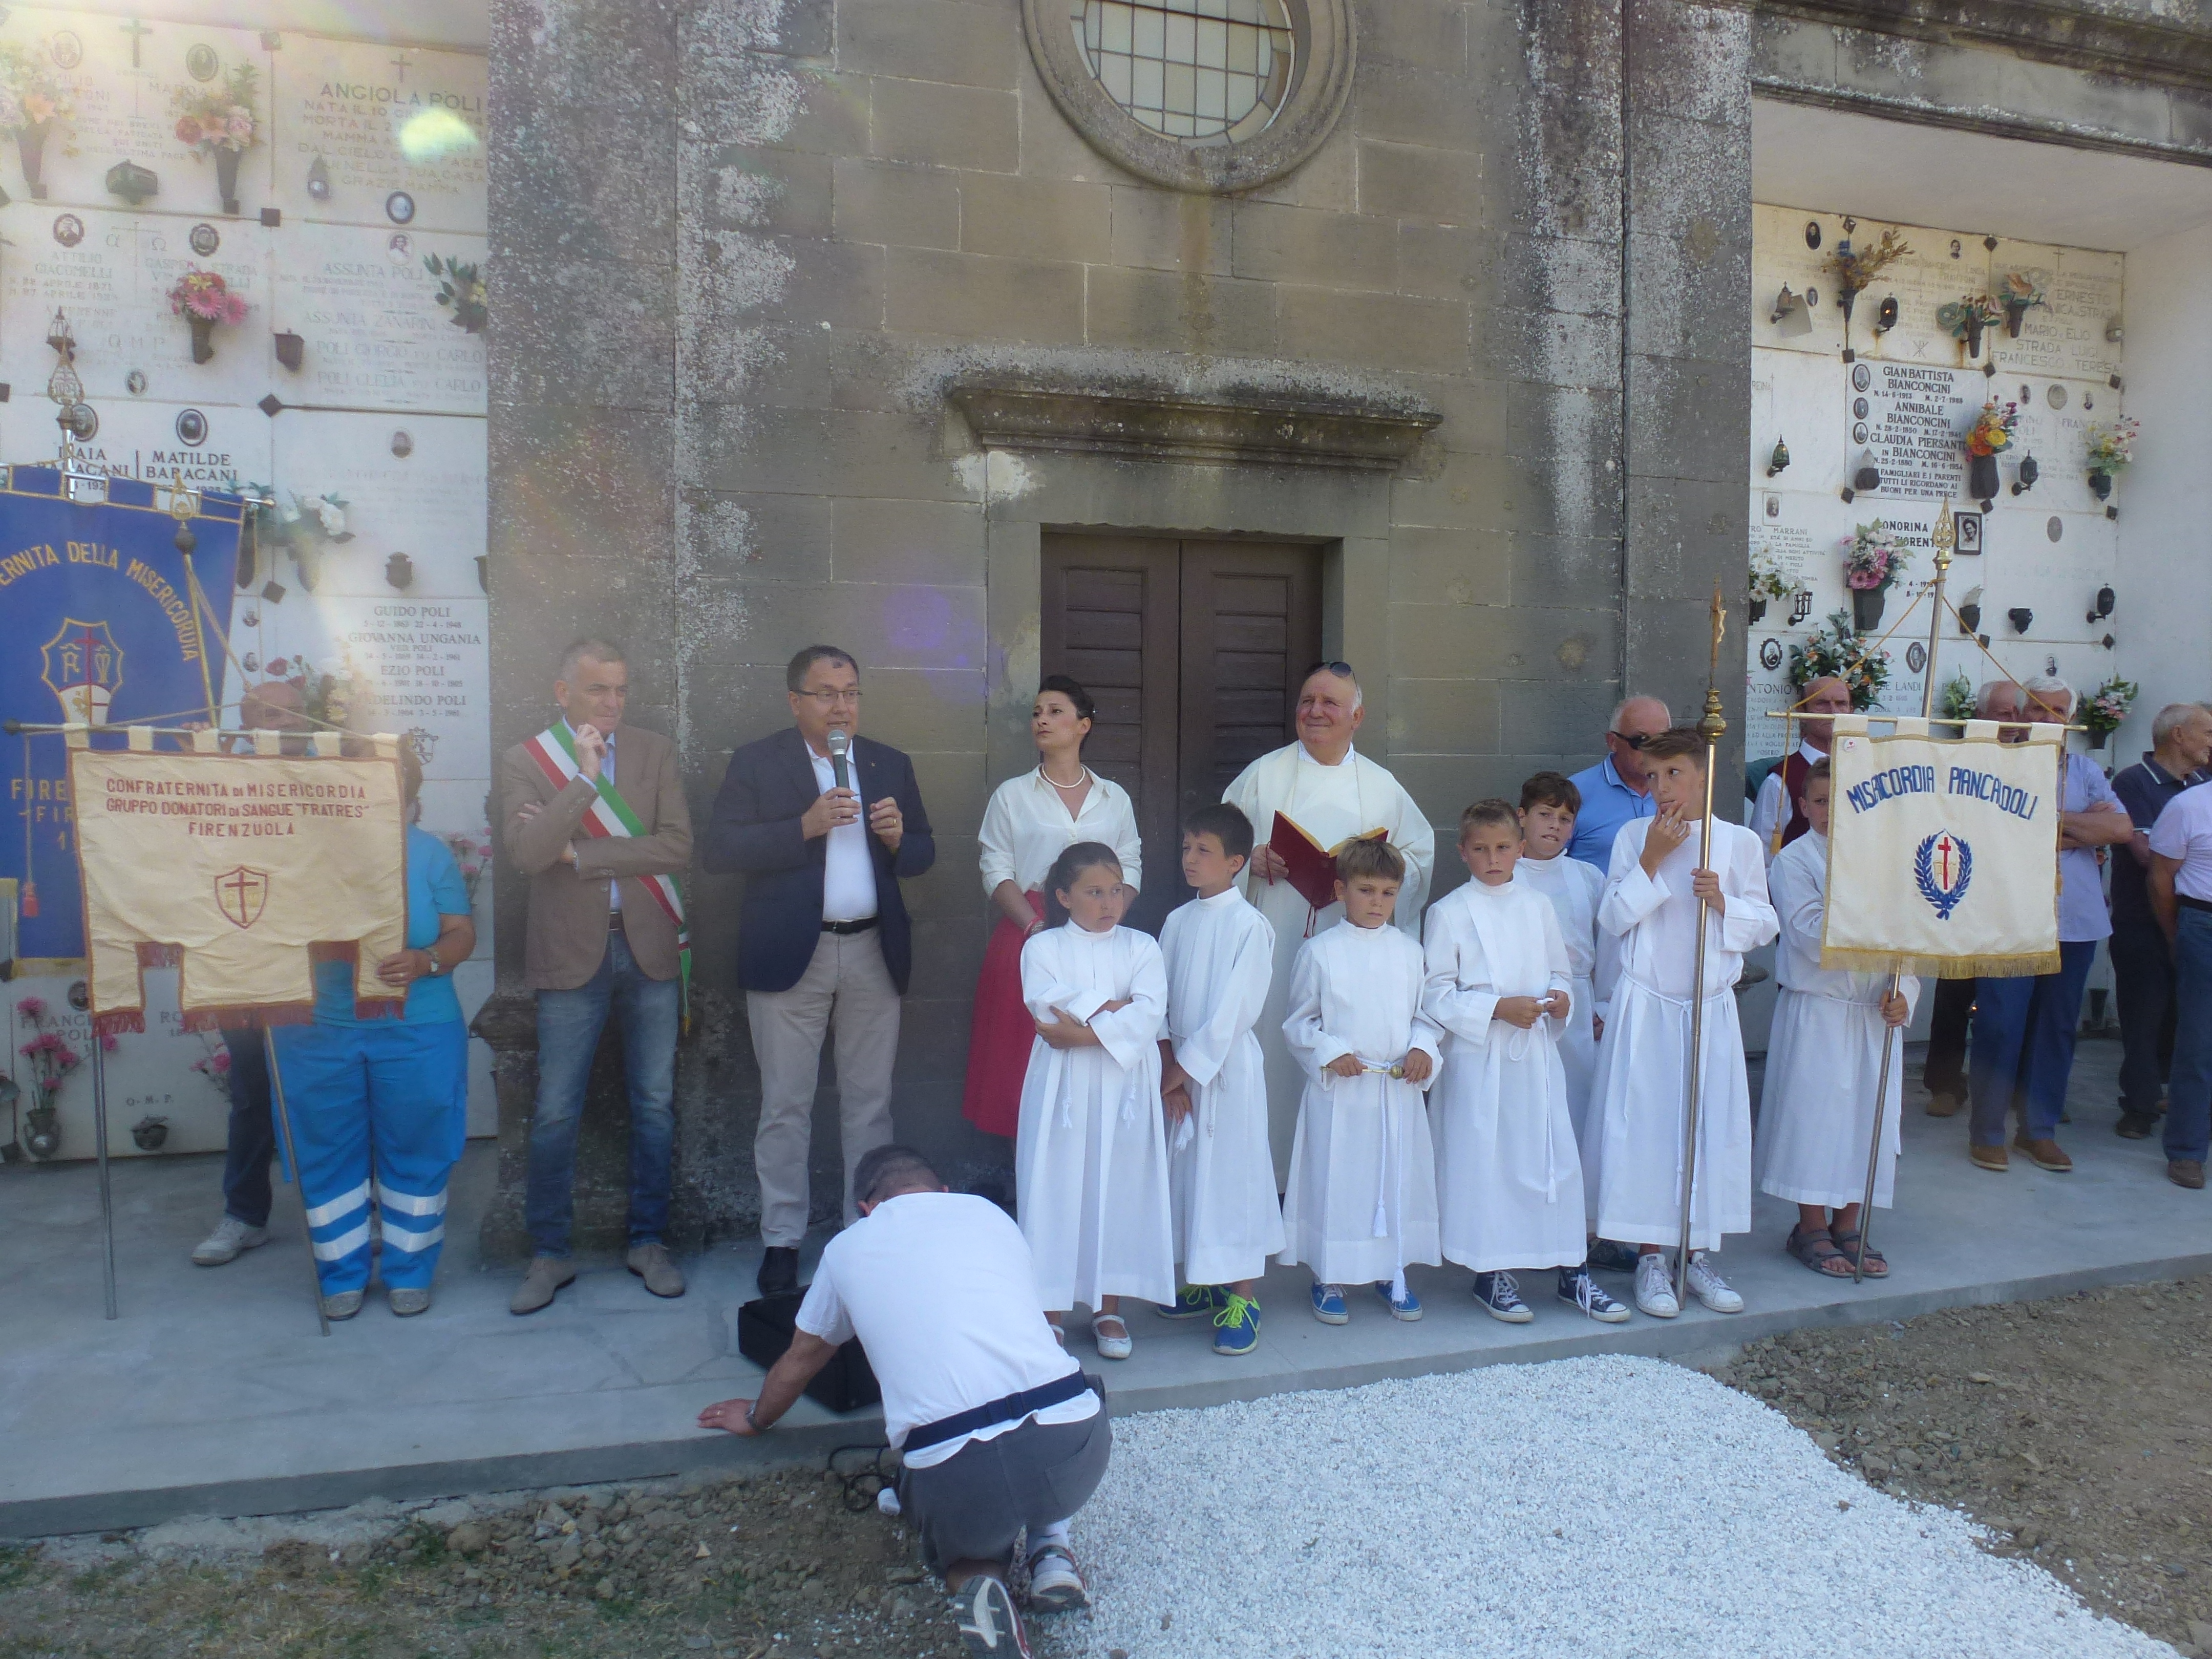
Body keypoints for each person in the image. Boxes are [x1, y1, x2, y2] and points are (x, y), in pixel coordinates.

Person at [697, 1143, 1109, 1658]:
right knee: (1049, 1418)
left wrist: (757, 1418)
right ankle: (1051, 1553)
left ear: (868, 1209)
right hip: (1073, 1443)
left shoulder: (848, 1248)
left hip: (953, 1465)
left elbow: (802, 1358)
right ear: (943, 1191)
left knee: (967, 1554)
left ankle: (989, 1591)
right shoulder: (989, 1215)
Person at [705, 645, 935, 1299]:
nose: (842, 706)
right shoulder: (758, 762)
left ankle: (865, 1235)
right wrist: (802, 826)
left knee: (871, 1105)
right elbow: (720, 851)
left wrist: (897, 840)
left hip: (871, 951)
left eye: (852, 693)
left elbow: (923, 854)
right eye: (827, 693)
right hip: (789, 957)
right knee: (785, 1106)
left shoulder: (889, 763)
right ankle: (782, 1240)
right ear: (795, 700)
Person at [504, 639, 693, 1315]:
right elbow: (527, 855)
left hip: (648, 951)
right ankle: (550, 1253)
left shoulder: (654, 752)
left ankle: (648, 1241)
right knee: (555, 1111)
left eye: (620, 690)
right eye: (597, 691)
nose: (612, 703)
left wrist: (578, 853)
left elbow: (677, 845)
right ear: (564, 693)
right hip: (568, 955)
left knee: (654, 1104)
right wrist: (582, 781)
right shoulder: (528, 761)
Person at [274, 748, 474, 1320]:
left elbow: (461, 933)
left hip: (418, 1027)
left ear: (405, 791)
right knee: (327, 1147)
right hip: (319, 1028)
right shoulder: (298, 851)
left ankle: (411, 1269)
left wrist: (427, 959)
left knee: (419, 1144)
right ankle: (341, 1272)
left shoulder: (428, 853)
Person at [1584, 728, 1778, 1319]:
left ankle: (1696, 1253)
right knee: (1647, 1128)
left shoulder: (1738, 842)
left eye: (1674, 775)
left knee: (1705, 1125)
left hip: (1708, 1004)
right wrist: (1651, 861)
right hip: (1647, 1004)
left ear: (1703, 777)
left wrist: (1725, 902)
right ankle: (1650, 1255)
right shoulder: (1632, 837)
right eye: (1652, 777)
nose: (1661, 788)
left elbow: (1765, 923)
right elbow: (1614, 918)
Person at [1223, 662, 1435, 1178]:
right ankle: (1268, 1176)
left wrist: (1369, 873)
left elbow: (1420, 855)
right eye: (1307, 701)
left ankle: (1332, 1180)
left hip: (1351, 957)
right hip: (1273, 937)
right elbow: (1217, 845)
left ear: (1357, 716)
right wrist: (1248, 860)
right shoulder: (1263, 775)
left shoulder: (1382, 788)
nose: (1315, 711)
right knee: (1276, 1042)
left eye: (1330, 703)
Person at [1423, 801, 1627, 1325]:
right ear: (1463, 852)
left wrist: (1561, 998)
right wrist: (1494, 1008)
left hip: (1534, 1054)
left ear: (1519, 849)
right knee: (1490, 1163)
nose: (1494, 859)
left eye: (1503, 847)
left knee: (1550, 1159)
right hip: (1481, 1061)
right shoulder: (1450, 911)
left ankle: (1571, 1271)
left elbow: (1561, 970)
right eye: (1481, 849)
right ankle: (1493, 1273)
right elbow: (1436, 993)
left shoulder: (1536, 905)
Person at [1756, 760, 1918, 1279]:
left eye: (1844, 801)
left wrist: (1905, 991)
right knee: (1816, 1118)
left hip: (1874, 1010)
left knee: (1868, 1120)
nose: (1832, 812)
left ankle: (1851, 1220)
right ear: (1804, 807)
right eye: (1821, 802)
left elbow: (1910, 938)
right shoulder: (1794, 861)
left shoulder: (1887, 862)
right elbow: (1809, 934)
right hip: (1821, 1008)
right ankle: (1810, 1225)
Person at [963, 676, 1142, 1139]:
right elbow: (995, 866)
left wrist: (1105, 921)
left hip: (1101, 935)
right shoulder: (1012, 795)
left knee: (1090, 1043)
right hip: (1029, 931)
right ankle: (1026, 1174)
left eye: (1056, 711)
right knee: (1022, 1053)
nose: (1042, 719)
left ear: (1083, 725)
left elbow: (1130, 865)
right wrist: (1036, 927)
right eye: (1037, 712)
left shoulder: (1113, 797)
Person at [1967, 677, 2130, 1175]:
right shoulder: (1991, 765)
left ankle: (2038, 1131)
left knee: (2057, 1028)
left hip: (2074, 923)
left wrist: (2044, 822)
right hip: (2008, 918)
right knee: (1999, 1025)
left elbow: (2120, 830)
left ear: (2070, 720)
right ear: (2017, 714)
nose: (2047, 719)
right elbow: (1989, 832)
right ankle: (1988, 1132)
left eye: (2058, 711)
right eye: (2037, 709)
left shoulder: (2085, 771)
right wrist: (2081, 825)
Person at [1016, 842, 1173, 1359]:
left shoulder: (1142, 946)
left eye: (1116, 890)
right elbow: (1046, 1006)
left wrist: (1087, 1029)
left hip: (1124, 1087)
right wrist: (1114, 1008)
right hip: (1063, 1087)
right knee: (1056, 1186)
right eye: (1094, 892)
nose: (1109, 902)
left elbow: (1150, 1014)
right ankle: (1050, 1310)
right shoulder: (1043, 948)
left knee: (1118, 1186)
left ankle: (1109, 1308)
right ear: (1062, 896)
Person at [1278, 838, 1443, 1324]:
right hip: (1343, 1092)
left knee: (1394, 1179)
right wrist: (1331, 1053)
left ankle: (1392, 1270)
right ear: (1340, 890)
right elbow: (1299, 1023)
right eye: (1366, 890)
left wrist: (1422, 1049)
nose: (1377, 903)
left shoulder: (1410, 953)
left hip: (1396, 1090)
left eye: (1388, 893)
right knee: (1339, 1180)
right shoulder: (1321, 952)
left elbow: (1427, 1017)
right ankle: (1329, 1275)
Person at [191, 678, 317, 1267]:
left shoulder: (337, 775)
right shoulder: (221, 777)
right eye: (268, 715)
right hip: (244, 961)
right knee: (252, 1093)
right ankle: (245, 1216)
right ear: (245, 721)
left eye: (291, 715)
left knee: (332, 1089)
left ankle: (346, 1210)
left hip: (320, 965)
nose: (282, 725)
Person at [1155, 803, 1281, 1356]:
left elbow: (1234, 1012)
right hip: (1182, 1067)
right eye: (1186, 848)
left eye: (1203, 851)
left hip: (1224, 1068)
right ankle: (1202, 1280)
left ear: (1236, 863)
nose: (1190, 859)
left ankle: (1244, 1297)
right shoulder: (1177, 921)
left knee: (1232, 1179)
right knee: (1189, 1177)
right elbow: (1156, 998)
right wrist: (1169, 1069)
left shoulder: (1250, 925)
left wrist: (1185, 1071)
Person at [1922, 679, 2026, 1119]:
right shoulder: (1955, 759)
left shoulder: (2034, 762)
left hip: (2015, 896)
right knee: (1954, 996)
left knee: (2010, 1007)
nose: (2013, 723)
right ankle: (1945, 1084)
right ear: (1980, 715)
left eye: (2018, 714)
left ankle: (2013, 1089)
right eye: (2003, 713)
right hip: (1963, 890)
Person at [2109, 704, 2212, 1138]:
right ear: (2179, 736)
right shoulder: (2133, 782)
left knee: (2186, 1021)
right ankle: (2139, 1108)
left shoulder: (2203, 784)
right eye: (2207, 731)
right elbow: (2149, 856)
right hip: (2141, 919)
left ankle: (2176, 1097)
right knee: (2144, 1016)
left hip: (2189, 920)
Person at [2151, 781, 2212, 1190]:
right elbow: (2160, 879)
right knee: (2199, 1043)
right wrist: (2175, 936)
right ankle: (2187, 1151)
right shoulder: (2188, 806)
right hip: (2205, 925)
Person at [1749, 675, 1855, 859]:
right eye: (1821, 703)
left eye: (1841, 704)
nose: (1833, 712)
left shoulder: (1865, 770)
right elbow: (1762, 857)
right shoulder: (1780, 780)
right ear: (1801, 712)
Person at [1565, 695, 1671, 867]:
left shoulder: (1680, 791)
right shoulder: (1575, 792)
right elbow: (1546, 866)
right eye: (1641, 741)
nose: (1654, 750)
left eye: (1662, 740)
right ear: (1613, 742)